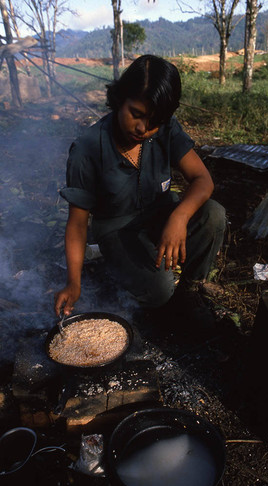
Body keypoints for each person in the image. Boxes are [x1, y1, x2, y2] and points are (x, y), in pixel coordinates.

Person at [54, 54, 226, 333]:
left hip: (161, 214)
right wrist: (73, 282)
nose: (143, 129)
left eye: (154, 121)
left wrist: (180, 217)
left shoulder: (166, 130)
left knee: (214, 215)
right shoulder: (87, 148)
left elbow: (202, 179)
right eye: (136, 114)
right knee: (159, 290)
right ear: (120, 98)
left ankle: (190, 294)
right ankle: (125, 278)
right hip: (117, 230)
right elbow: (76, 223)